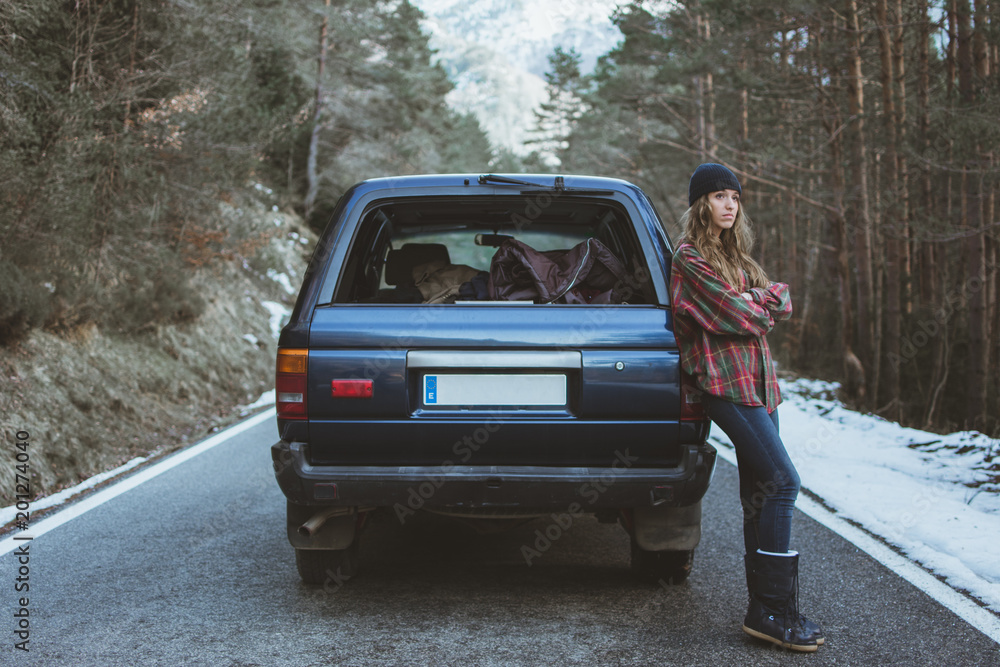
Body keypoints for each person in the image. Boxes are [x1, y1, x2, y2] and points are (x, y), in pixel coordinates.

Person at [669, 163, 824, 651]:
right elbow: (739, 314)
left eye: (734, 196)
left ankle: (768, 612)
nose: (730, 204)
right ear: (701, 205)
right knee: (783, 481)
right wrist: (758, 302)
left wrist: (757, 299)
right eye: (718, 196)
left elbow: (783, 300)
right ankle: (773, 609)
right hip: (725, 387)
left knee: (759, 493)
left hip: (760, 385)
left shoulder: (738, 256)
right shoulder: (689, 258)